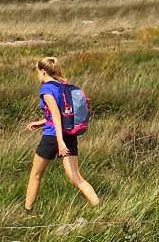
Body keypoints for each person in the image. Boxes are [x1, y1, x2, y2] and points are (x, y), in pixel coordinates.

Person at [24, 56, 101, 213]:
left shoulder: (46, 89)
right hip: (69, 134)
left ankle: (27, 211)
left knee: (36, 174)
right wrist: (39, 123)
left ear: (43, 71)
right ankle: (100, 208)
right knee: (76, 177)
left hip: (53, 137)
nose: (37, 75)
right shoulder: (64, 86)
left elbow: (56, 116)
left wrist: (60, 141)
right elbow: (61, 114)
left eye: (37, 72)